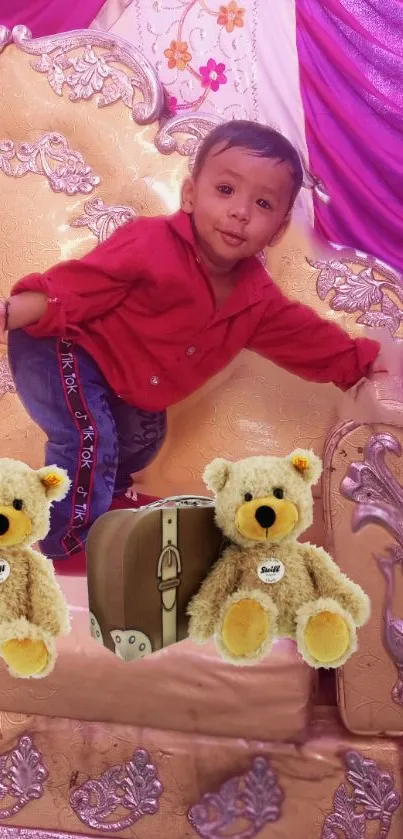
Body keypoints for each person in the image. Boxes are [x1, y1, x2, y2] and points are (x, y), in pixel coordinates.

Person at [0, 120, 384, 560]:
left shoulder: (255, 300)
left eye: (262, 203)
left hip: (128, 383)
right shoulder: (149, 243)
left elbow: (304, 338)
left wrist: (360, 363)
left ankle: (104, 498)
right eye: (225, 190)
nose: (241, 212)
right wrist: (11, 312)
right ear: (189, 195)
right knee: (90, 436)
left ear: (277, 230)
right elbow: (77, 287)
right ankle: (64, 540)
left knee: (144, 436)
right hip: (62, 343)